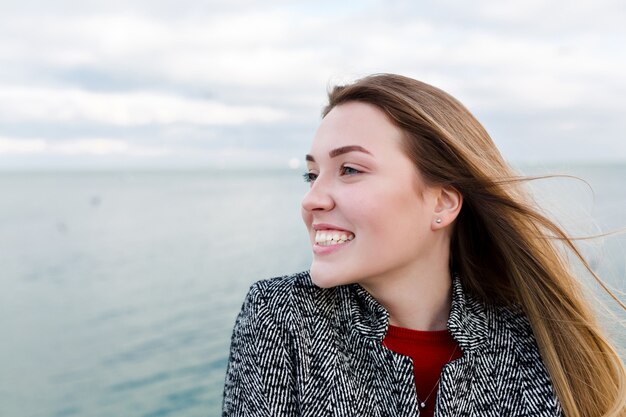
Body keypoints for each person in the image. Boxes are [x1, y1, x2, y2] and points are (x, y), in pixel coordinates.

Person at [222, 74, 625, 417]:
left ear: (442, 202)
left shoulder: (535, 341)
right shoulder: (280, 316)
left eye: (349, 169)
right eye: (311, 175)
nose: (312, 199)